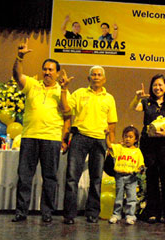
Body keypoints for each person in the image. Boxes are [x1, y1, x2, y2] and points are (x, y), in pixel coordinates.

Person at [12, 39, 70, 223]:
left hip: (51, 139)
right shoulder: (32, 84)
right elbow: (16, 75)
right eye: (45, 69)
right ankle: (21, 212)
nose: (47, 72)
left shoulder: (63, 91)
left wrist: (63, 90)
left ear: (57, 72)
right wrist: (20, 58)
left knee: (50, 178)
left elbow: (66, 112)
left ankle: (47, 213)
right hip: (29, 137)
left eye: (51, 69)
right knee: (24, 176)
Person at [60, 65, 118, 225]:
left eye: (99, 75)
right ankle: (69, 215)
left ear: (104, 79)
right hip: (79, 138)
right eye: (94, 74)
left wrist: (110, 145)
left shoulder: (110, 98)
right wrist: (64, 90)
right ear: (89, 78)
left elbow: (112, 125)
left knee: (96, 179)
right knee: (72, 178)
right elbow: (65, 109)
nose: (96, 77)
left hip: (99, 140)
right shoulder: (79, 93)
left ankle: (92, 213)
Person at [130, 74, 165, 225]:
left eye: (160, 85)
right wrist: (137, 97)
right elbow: (133, 108)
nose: (157, 88)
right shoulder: (146, 102)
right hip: (148, 144)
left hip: (164, 144)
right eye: (155, 85)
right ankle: (152, 212)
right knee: (151, 177)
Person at [107, 125, 144, 225]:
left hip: (131, 177)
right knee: (118, 197)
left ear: (136, 139)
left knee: (131, 197)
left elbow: (140, 164)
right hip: (119, 175)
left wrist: (141, 169)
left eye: (130, 137)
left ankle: (130, 216)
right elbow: (110, 146)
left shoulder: (137, 151)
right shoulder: (119, 148)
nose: (127, 139)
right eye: (126, 136)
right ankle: (116, 215)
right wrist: (107, 135)